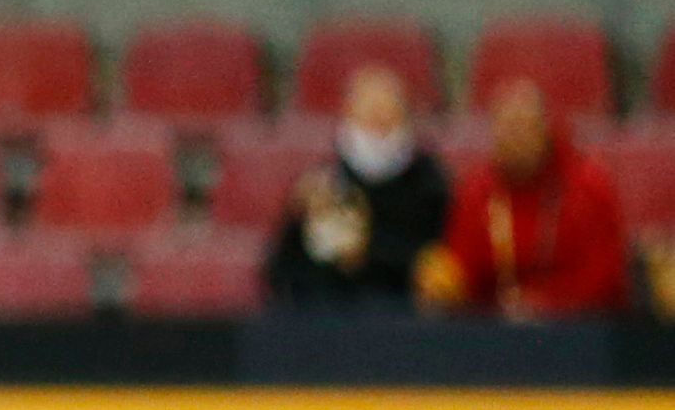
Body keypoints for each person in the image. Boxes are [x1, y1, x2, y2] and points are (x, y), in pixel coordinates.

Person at [419, 78, 630, 318]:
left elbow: (606, 275)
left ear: (545, 129)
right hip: (495, 328)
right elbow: (461, 268)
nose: (516, 140)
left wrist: (546, 304)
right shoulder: (477, 190)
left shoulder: (588, 186)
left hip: (577, 328)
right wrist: (444, 285)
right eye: (507, 129)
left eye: (524, 128)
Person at [264, 65, 452, 308]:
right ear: (349, 113)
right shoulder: (322, 183)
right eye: (368, 110)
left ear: (405, 115)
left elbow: (436, 264)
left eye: (386, 110)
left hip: (404, 320)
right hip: (330, 319)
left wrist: (368, 253)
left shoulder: (430, 185)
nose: (377, 118)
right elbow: (281, 271)